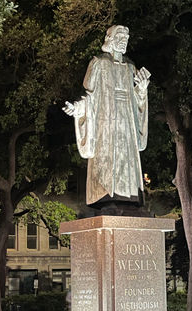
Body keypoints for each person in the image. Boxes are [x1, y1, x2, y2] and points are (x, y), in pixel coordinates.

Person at [63, 25, 150, 207]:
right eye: (120, 35)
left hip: (127, 121)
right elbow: (91, 97)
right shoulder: (99, 63)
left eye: (126, 36)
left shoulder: (130, 67)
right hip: (105, 121)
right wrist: (78, 109)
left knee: (127, 158)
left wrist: (141, 89)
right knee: (107, 158)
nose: (124, 39)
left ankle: (130, 195)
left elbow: (138, 102)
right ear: (109, 38)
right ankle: (105, 195)